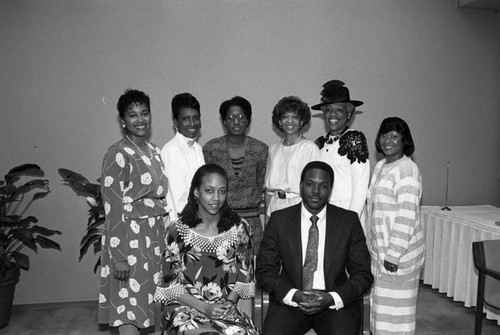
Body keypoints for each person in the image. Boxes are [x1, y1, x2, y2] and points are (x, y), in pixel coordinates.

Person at [256, 161, 373, 335]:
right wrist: (294, 295)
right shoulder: (279, 220)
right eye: (310, 184)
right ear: (301, 186)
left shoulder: (348, 221)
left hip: (333, 302)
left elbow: (363, 274)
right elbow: (264, 270)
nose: (316, 192)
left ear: (330, 189)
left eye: (323, 186)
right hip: (291, 302)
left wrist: (331, 298)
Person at [155, 164, 258, 335]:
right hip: (183, 308)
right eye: (209, 191)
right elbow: (170, 284)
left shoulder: (239, 229)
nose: (216, 198)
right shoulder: (176, 231)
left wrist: (229, 303)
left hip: (224, 308)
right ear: (196, 192)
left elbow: (244, 276)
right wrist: (204, 307)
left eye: (222, 191)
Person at [99, 89, 169, 335]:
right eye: (132, 115)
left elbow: (160, 199)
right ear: (122, 121)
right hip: (129, 238)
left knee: (150, 301)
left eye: (144, 113)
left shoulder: (155, 151)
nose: (140, 120)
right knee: (128, 303)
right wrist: (118, 256)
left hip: (154, 237)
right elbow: (113, 206)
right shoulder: (116, 153)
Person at [366, 117, 423, 335]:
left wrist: (393, 254)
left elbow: (407, 215)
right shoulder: (381, 166)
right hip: (380, 251)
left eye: (394, 136)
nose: (388, 141)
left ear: (404, 140)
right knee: (381, 310)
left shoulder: (408, 169)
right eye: (384, 135)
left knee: (397, 317)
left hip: (399, 255)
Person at [203, 96, 268, 255]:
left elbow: (260, 183)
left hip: (252, 222)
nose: (236, 121)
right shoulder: (211, 148)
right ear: (224, 122)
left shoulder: (261, 149)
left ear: (248, 120)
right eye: (231, 117)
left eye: (241, 117)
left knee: (251, 271)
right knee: (222, 269)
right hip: (220, 222)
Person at [312, 80, 370, 222]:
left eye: (339, 110)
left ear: (348, 114)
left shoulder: (354, 138)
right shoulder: (319, 143)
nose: (333, 114)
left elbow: (360, 188)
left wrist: (350, 222)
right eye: (329, 109)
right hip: (323, 215)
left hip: (347, 214)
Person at [265, 96, 319, 217]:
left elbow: (315, 188)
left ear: (301, 122)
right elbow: (268, 191)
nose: (290, 121)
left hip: (299, 208)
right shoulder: (273, 149)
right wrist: (267, 219)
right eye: (285, 116)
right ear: (279, 121)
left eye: (294, 117)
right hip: (274, 207)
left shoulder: (309, 148)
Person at [161, 93, 205, 223]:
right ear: (175, 121)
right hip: (184, 226)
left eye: (196, 118)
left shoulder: (197, 148)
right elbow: (176, 201)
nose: (192, 123)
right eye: (186, 119)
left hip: (200, 221)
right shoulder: (171, 150)